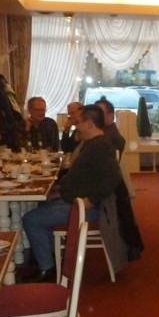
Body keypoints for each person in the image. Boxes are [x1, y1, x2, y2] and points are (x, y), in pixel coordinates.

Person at [21, 104, 123, 282]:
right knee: (41, 207)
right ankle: (50, 260)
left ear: (89, 124)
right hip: (74, 201)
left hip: (87, 209)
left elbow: (114, 177)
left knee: (31, 219)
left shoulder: (99, 146)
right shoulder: (94, 144)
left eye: (80, 123)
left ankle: (47, 268)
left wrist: (91, 200)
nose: (78, 126)